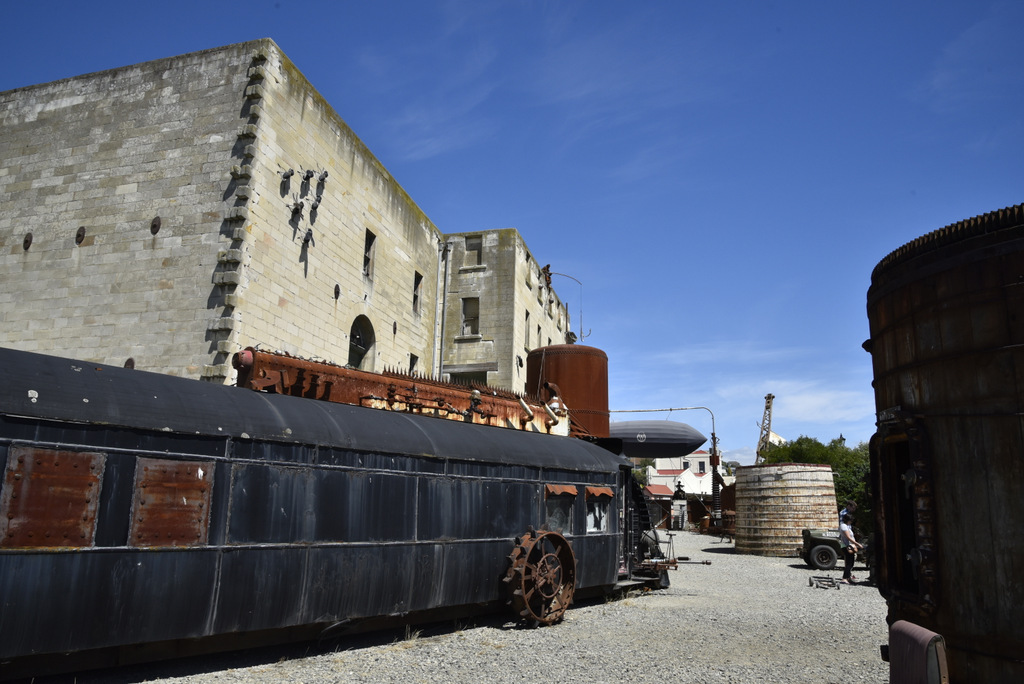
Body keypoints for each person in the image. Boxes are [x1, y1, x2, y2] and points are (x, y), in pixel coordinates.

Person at [839, 513, 862, 584]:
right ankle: (844, 578)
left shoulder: (847, 526)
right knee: (849, 563)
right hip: (847, 546)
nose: (851, 522)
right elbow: (848, 537)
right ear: (847, 520)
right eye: (850, 520)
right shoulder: (843, 526)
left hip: (850, 546)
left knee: (851, 562)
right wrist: (857, 544)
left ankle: (848, 577)